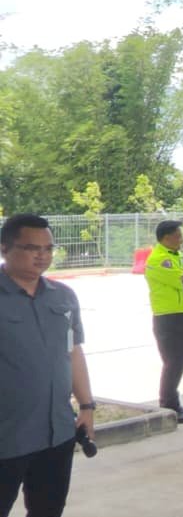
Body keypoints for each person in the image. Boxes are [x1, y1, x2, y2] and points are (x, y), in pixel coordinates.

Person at [0, 214, 96, 517]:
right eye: (31, 248)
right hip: (6, 436)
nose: (42, 256)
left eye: (48, 248)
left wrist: (87, 406)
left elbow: (72, 353)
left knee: (48, 510)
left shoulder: (64, 297)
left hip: (57, 434)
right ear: (4, 248)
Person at [144, 218, 183, 423]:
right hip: (168, 317)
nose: (181, 239)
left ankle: (174, 403)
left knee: (180, 361)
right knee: (174, 362)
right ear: (166, 238)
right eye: (178, 235)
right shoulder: (158, 259)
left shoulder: (177, 256)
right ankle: (168, 403)